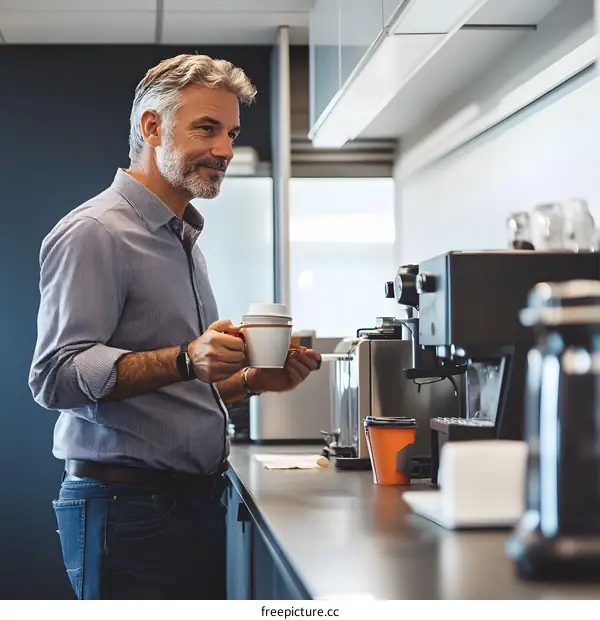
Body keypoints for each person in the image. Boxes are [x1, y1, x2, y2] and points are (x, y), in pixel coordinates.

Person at [28, 53, 321, 601]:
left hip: (181, 504)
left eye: (231, 133)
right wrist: (187, 356)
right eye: (207, 128)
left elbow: (170, 397)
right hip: (128, 511)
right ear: (152, 127)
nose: (226, 151)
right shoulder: (96, 232)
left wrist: (254, 380)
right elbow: (54, 377)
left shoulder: (181, 240)